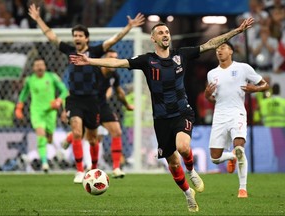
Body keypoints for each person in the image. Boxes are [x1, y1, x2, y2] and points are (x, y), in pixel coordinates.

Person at [69, 18, 254, 212]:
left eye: (167, 32)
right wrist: (90, 60)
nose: (165, 34)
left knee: (183, 147)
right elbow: (117, 62)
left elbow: (210, 44)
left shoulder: (181, 55)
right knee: (173, 163)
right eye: (161, 33)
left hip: (182, 112)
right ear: (153, 38)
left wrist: (236, 31)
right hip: (161, 118)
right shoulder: (147, 60)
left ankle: (191, 170)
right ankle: (188, 194)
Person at [28, 3, 144, 183]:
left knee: (91, 138)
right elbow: (51, 35)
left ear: (87, 38)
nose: (77, 38)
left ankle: (95, 168)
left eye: (80, 35)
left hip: (92, 100)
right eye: (75, 35)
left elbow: (113, 40)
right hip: (74, 99)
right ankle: (79, 170)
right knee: (76, 131)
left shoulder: (95, 52)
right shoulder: (69, 51)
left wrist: (128, 27)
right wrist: (38, 20)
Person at [204, 41, 269, 198]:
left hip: (237, 113)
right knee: (215, 158)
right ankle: (232, 156)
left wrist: (256, 89)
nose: (219, 51)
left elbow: (265, 85)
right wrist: (207, 94)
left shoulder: (243, 68)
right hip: (219, 115)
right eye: (217, 49)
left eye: (223, 48)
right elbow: (212, 99)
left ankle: (242, 189)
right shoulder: (212, 73)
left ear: (231, 51)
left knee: (240, 148)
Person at [63, 50, 134, 178]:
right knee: (88, 136)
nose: (113, 61)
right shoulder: (93, 71)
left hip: (102, 105)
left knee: (117, 131)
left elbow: (118, 92)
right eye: (110, 58)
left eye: (116, 58)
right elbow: (75, 87)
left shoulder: (114, 75)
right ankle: (71, 138)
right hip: (88, 105)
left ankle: (116, 168)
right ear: (104, 60)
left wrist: (127, 105)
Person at [15, 58, 68, 172]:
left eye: (41, 65)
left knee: (48, 139)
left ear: (45, 67)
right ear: (33, 68)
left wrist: (59, 101)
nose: (39, 67)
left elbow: (64, 91)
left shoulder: (52, 77)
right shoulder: (30, 80)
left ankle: (52, 154)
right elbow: (24, 93)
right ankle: (44, 163)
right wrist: (19, 107)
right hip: (37, 112)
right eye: (37, 65)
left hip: (51, 112)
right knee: (41, 136)